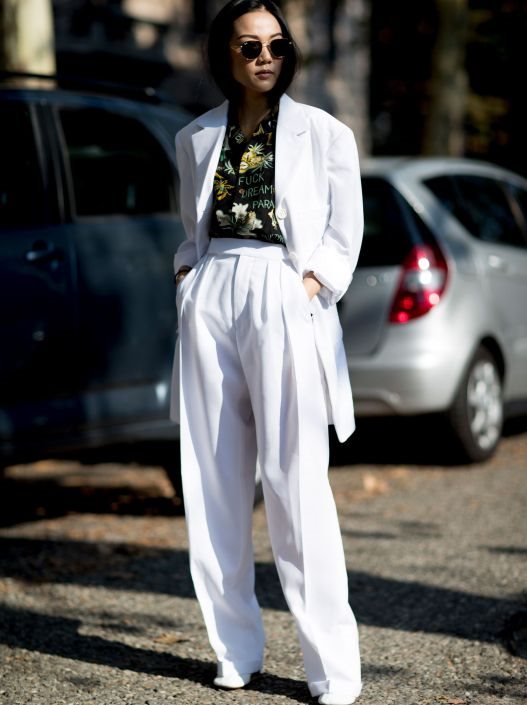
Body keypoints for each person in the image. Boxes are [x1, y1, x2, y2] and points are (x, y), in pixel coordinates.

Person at [170, 1, 363, 703]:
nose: (265, 58)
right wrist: (188, 277)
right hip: (214, 287)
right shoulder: (195, 136)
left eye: (277, 45)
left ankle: (331, 668)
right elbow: (191, 227)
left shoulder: (325, 133)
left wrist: (310, 286)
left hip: (283, 289)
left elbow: (344, 232)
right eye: (249, 45)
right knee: (212, 479)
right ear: (225, 52)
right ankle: (234, 650)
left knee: (296, 481)